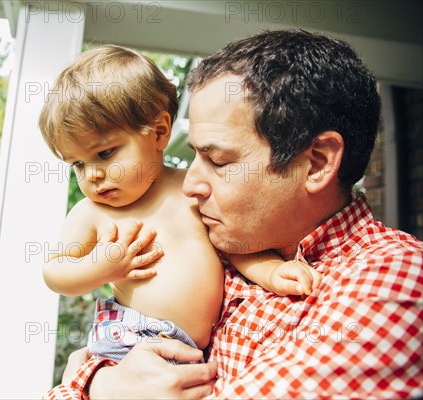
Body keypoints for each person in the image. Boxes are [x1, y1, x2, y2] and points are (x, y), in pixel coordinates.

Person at [45, 30, 423, 399]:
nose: (191, 184)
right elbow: (60, 279)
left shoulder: (393, 278)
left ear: (317, 163)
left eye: (218, 159)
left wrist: (81, 383)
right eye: (193, 155)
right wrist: (93, 379)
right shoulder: (228, 236)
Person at [38, 45, 321, 365]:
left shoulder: (193, 190)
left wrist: (272, 271)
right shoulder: (93, 212)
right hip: (129, 341)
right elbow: (55, 271)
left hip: (197, 352)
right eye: (77, 164)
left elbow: (233, 247)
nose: (93, 175)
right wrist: (102, 266)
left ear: (159, 132)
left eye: (105, 154)